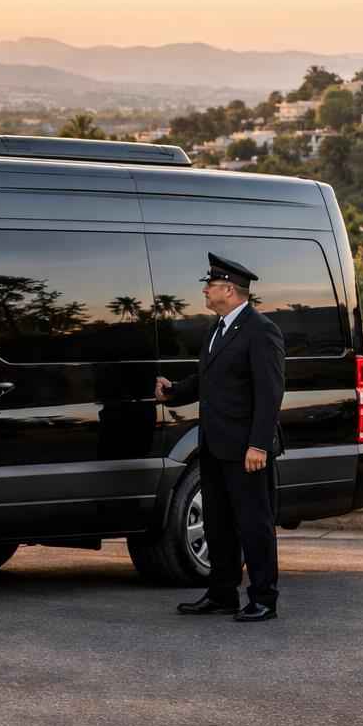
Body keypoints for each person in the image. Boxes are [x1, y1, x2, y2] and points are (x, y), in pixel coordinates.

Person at [154, 252, 285, 622]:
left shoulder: (261, 331)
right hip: (213, 444)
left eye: (210, 285)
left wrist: (258, 444)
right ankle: (222, 593)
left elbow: (269, 392)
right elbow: (207, 382)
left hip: (246, 448)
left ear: (229, 289)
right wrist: (173, 393)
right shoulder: (217, 329)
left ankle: (263, 599)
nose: (205, 291)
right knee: (218, 523)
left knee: (254, 524)